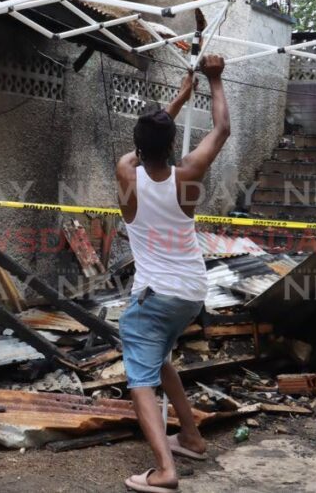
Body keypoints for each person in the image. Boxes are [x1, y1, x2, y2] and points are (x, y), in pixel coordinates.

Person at [115, 54, 230, 493]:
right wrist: (213, 81)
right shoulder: (188, 177)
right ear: (172, 144)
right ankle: (192, 438)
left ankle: (165, 470)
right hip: (191, 293)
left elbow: (139, 148)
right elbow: (221, 130)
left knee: (140, 380)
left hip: (152, 296)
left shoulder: (127, 175)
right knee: (160, 360)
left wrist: (177, 100)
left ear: (139, 146)